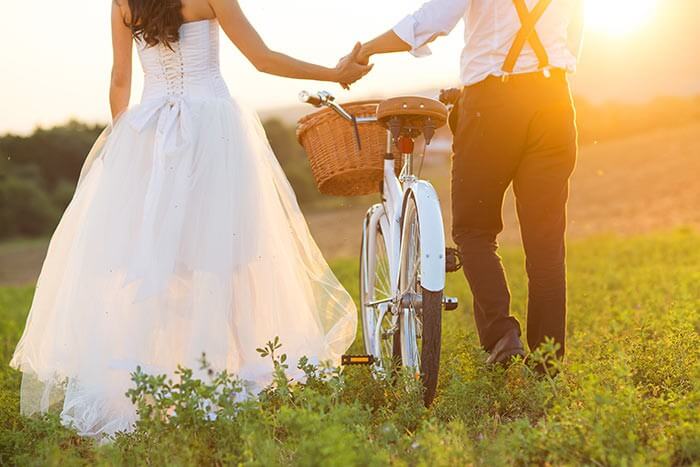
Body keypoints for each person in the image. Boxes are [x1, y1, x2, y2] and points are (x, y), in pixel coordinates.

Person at [9, 0, 372, 438]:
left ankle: (162, 381)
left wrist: (127, 150)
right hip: (213, 131)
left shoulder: (124, 2)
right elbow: (262, 58)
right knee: (231, 261)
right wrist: (335, 74)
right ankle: (245, 377)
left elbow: (119, 79)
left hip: (152, 132)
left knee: (162, 264)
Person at [349, 0, 584, 365]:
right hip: (555, 103)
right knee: (546, 243)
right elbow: (575, 31)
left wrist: (365, 50)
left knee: (474, 231)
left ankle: (502, 334)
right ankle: (546, 363)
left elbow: (430, 22)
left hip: (494, 103)